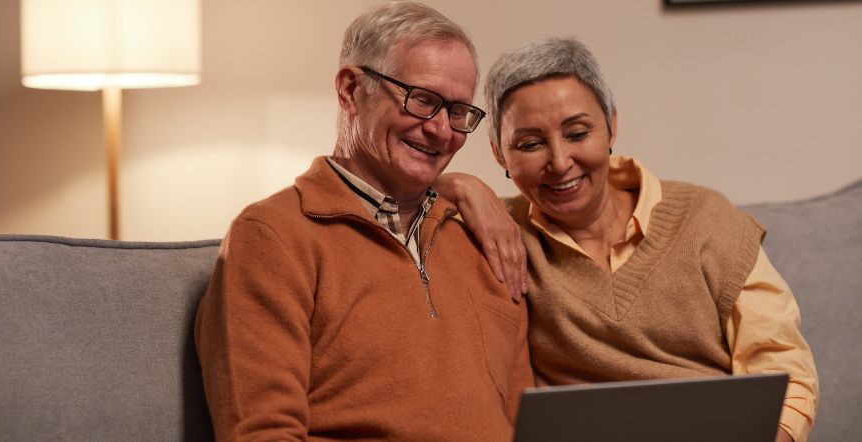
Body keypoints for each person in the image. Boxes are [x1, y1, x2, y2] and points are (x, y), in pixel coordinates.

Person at [439, 37, 818, 442]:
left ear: (611, 126)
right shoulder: (498, 232)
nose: (560, 162)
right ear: (499, 155)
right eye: (530, 144)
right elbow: (380, 197)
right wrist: (458, 186)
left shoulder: (707, 219)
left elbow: (783, 368)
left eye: (577, 133)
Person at [193, 2, 533, 440]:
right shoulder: (272, 236)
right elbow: (261, 432)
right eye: (423, 100)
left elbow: (528, 422)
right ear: (351, 90)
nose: (442, 131)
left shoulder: (486, 238)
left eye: (457, 111)